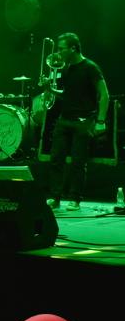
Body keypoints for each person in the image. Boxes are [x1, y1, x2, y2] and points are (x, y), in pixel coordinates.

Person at [42, 33, 109, 211]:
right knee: (56, 159)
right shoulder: (67, 68)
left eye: (61, 49)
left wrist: (101, 120)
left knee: (78, 162)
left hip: (84, 121)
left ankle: (74, 199)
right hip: (64, 119)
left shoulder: (90, 67)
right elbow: (67, 94)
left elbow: (104, 95)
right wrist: (50, 89)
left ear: (73, 48)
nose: (58, 52)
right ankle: (55, 197)